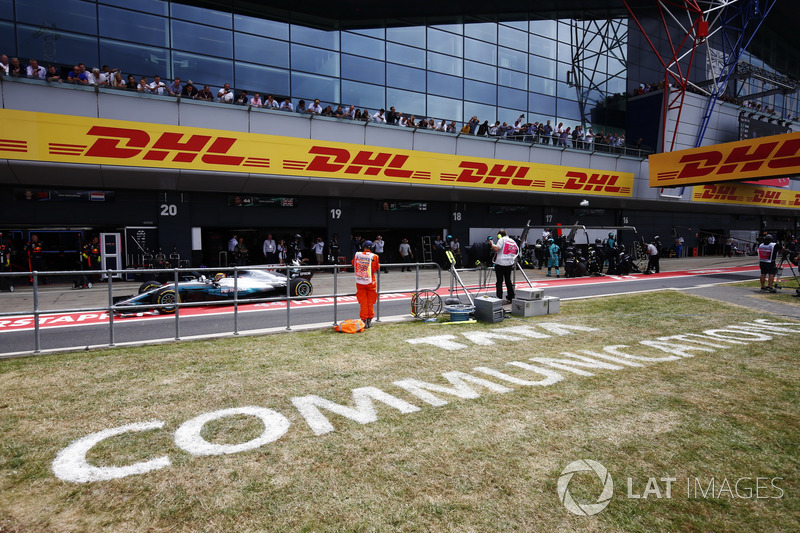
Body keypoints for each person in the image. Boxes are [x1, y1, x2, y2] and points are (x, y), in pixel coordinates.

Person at [353, 240, 379, 328]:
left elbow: (353, 264)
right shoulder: (375, 256)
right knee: (370, 302)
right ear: (371, 248)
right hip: (371, 281)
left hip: (360, 281)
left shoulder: (357, 255)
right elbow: (375, 268)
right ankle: (369, 320)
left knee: (363, 302)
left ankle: (363, 320)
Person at [490, 230, 518, 302]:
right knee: (508, 280)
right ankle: (511, 296)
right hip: (509, 263)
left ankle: (499, 298)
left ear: (499, 235)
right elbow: (516, 251)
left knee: (499, 281)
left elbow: (496, 248)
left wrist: (492, 244)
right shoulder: (512, 241)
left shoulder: (501, 240)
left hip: (500, 263)